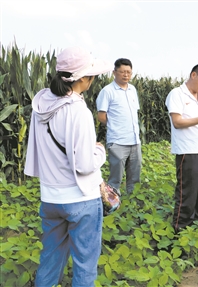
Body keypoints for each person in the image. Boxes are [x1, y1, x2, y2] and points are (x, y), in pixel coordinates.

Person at [24, 46, 113, 286]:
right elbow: (84, 165)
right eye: (92, 75)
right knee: (84, 265)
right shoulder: (78, 110)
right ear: (83, 78)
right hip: (80, 199)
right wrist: (99, 151)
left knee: (50, 259)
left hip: (50, 197)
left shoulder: (40, 106)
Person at [165, 64, 198, 233]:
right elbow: (178, 122)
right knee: (187, 192)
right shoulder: (177, 94)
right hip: (187, 151)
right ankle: (181, 230)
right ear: (193, 75)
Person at [96, 58, 141, 195]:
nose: (126, 75)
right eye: (122, 72)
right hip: (118, 141)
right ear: (114, 72)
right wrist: (116, 127)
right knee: (115, 178)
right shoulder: (107, 91)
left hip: (134, 141)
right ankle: (112, 204)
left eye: (128, 72)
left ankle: (132, 201)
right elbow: (101, 116)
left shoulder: (132, 90)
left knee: (134, 176)